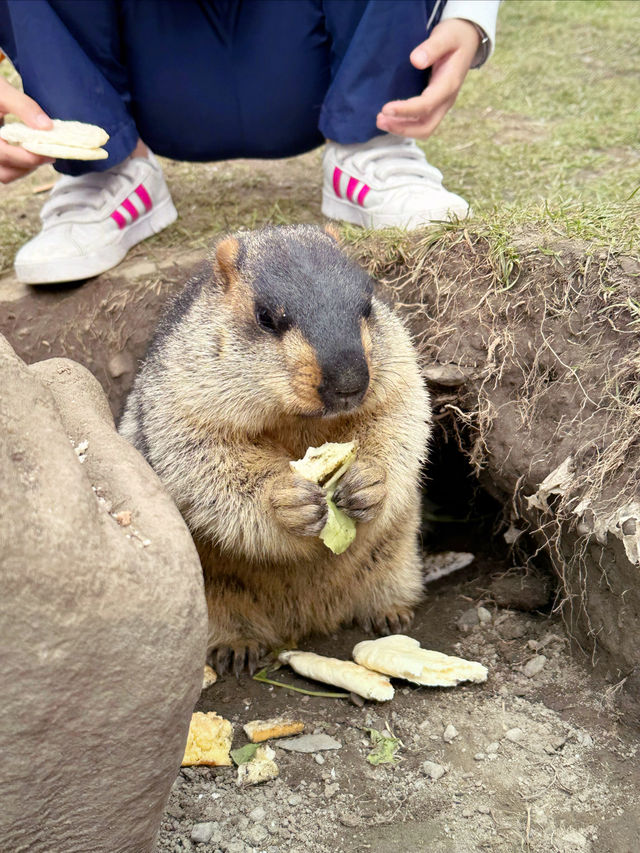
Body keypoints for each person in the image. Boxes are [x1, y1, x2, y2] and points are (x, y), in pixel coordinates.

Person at [0, 1, 499, 285]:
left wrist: (469, 13)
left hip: (310, 49)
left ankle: (371, 152)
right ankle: (107, 175)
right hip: (145, 56)